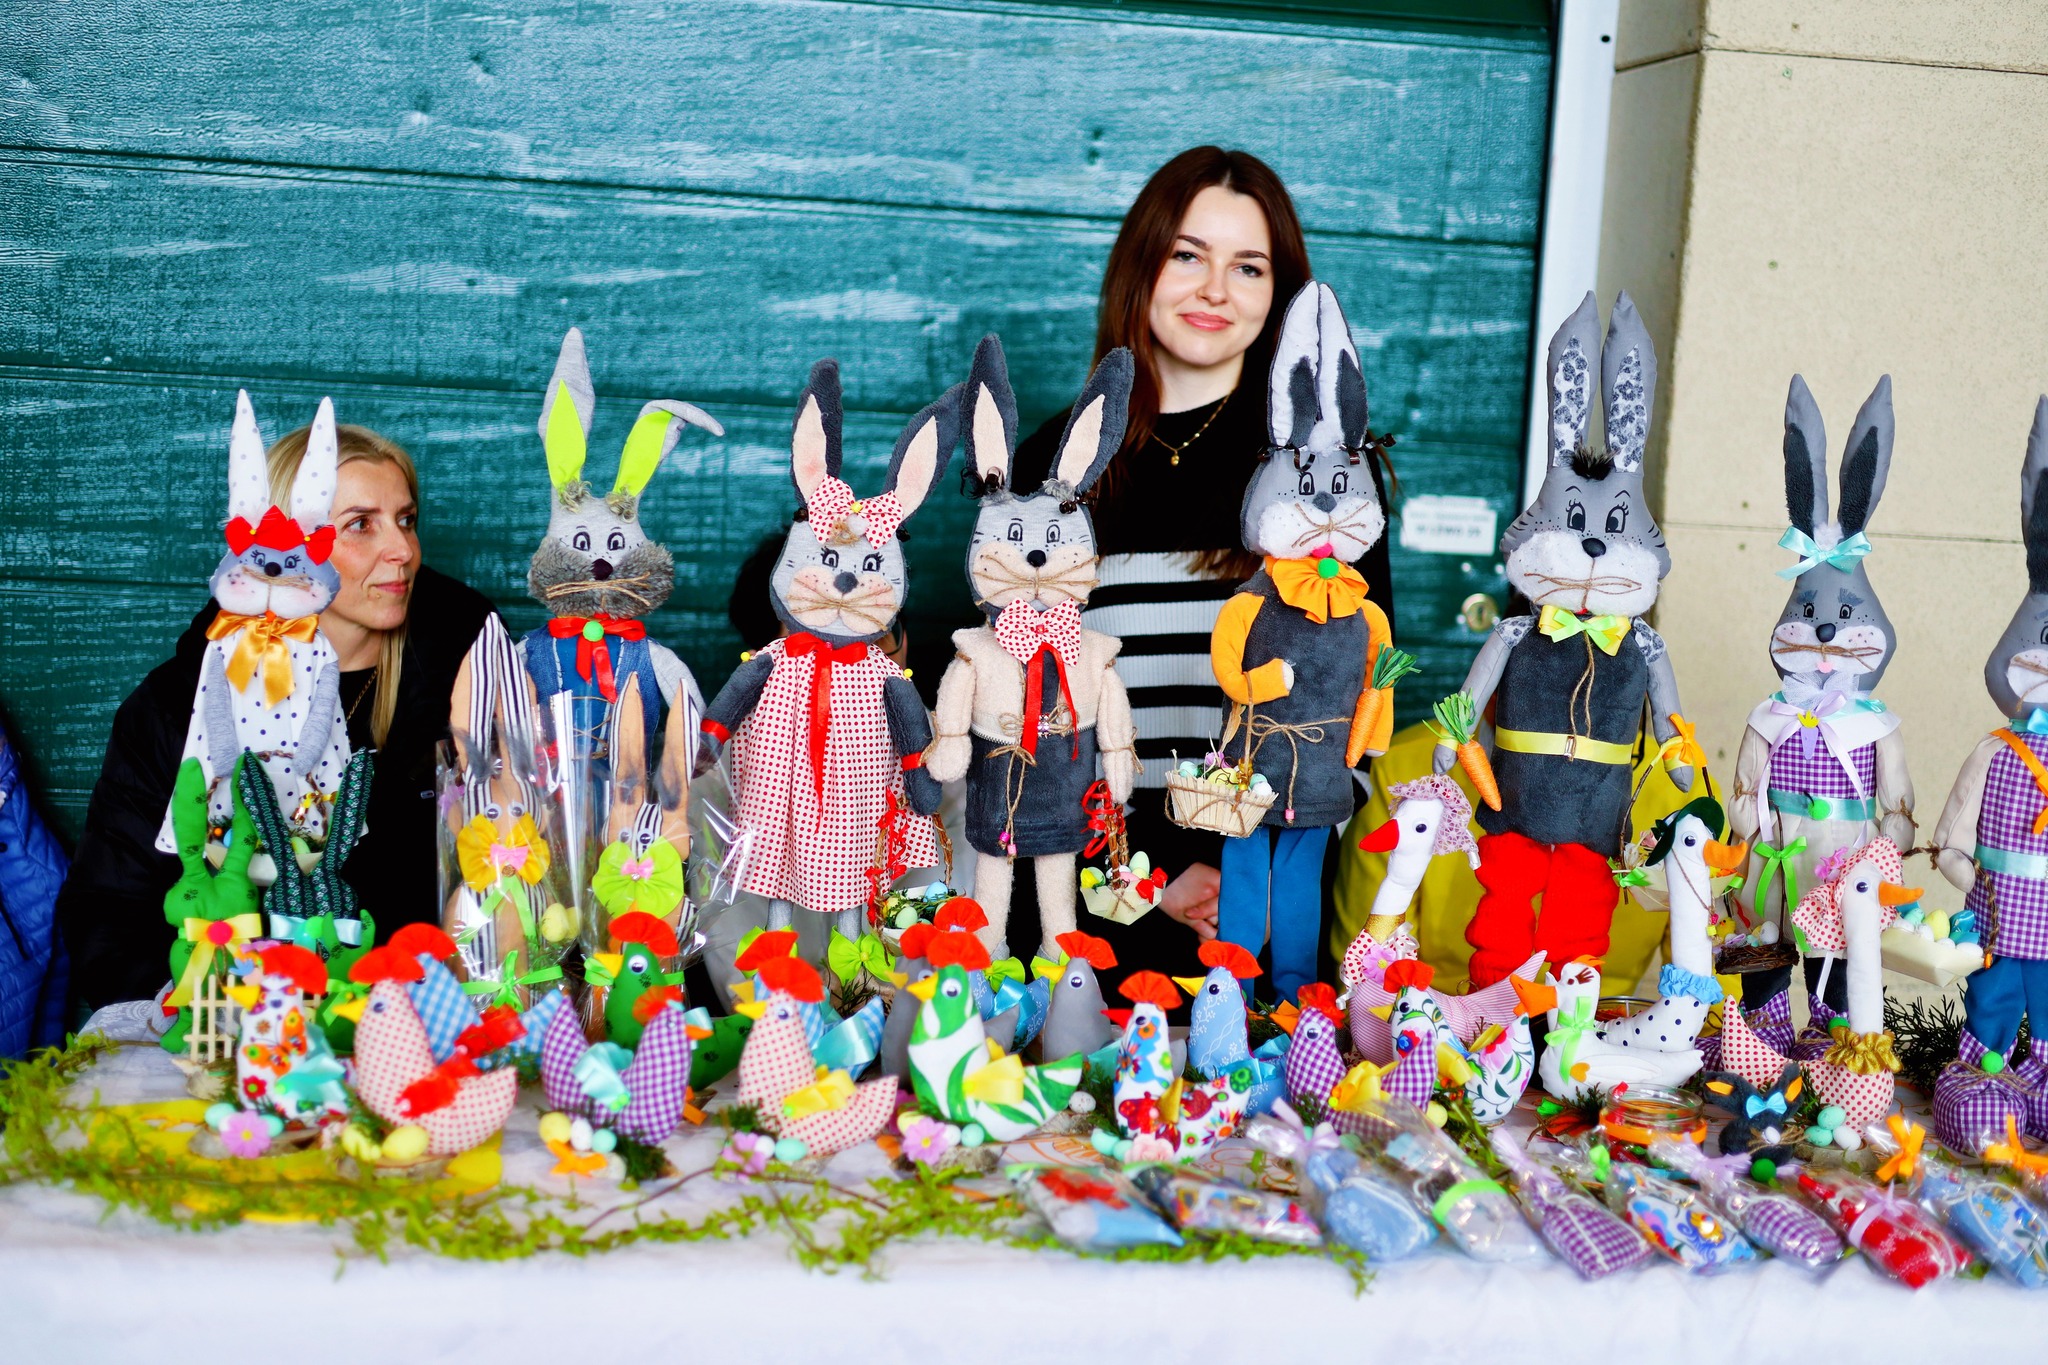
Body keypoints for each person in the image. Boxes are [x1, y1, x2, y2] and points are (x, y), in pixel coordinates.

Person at [1008, 146, 1395, 999]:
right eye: (1188, 255)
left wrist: (1258, 869)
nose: (1215, 289)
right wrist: (1151, 875)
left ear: (1279, 292)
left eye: (1247, 266)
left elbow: (1362, 700)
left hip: (1267, 905)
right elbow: (1021, 714)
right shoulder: (1053, 464)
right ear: (1140, 266)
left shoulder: (1324, 479)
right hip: (1090, 905)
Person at [58, 422, 494, 1012]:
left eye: (406, 520)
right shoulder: (177, 704)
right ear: (290, 546)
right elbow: (110, 913)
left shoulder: (467, 686)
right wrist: (223, 1017)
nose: (403, 551)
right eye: (361, 524)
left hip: (415, 1022)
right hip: (231, 1033)